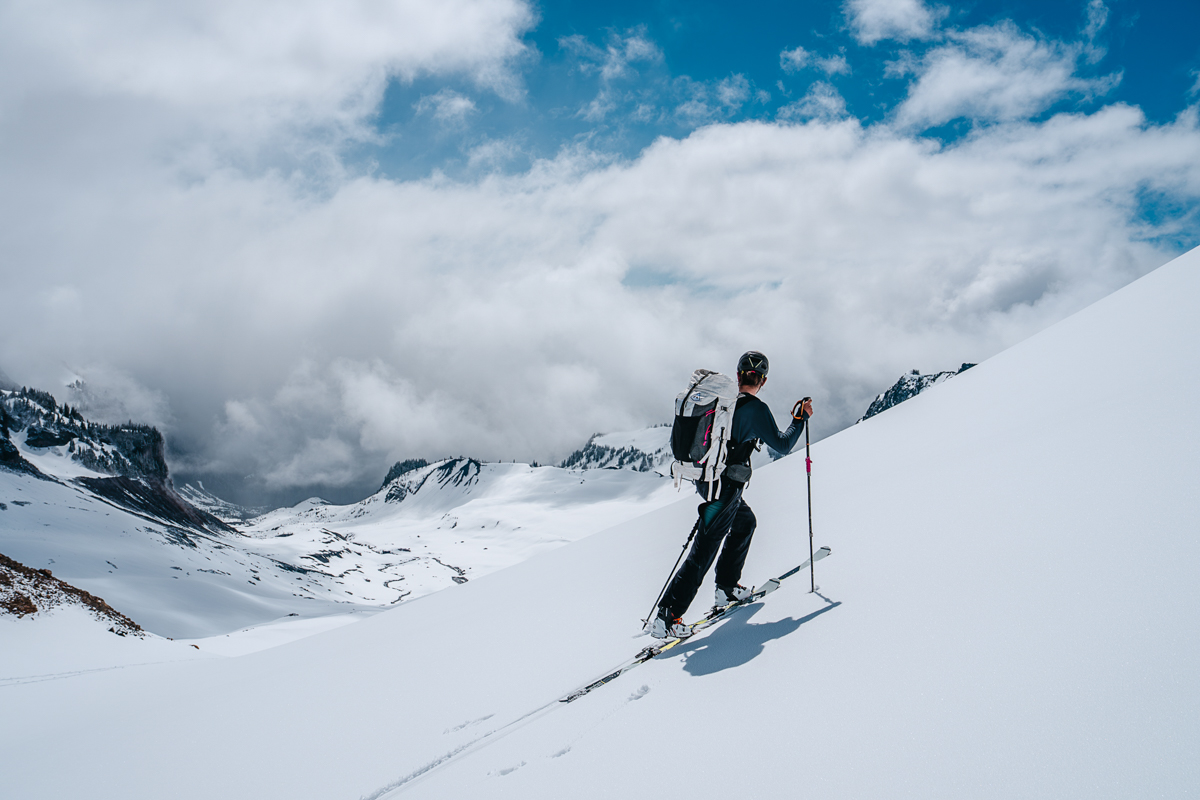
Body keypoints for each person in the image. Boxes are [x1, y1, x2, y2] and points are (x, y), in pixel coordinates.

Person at [650, 350, 813, 639]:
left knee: (745, 523)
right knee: (705, 547)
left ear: (738, 377)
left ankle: (726, 588)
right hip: (724, 489)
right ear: (762, 380)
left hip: (707, 481)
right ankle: (667, 616)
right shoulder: (755, 410)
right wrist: (798, 419)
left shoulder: (723, 405)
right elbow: (783, 445)